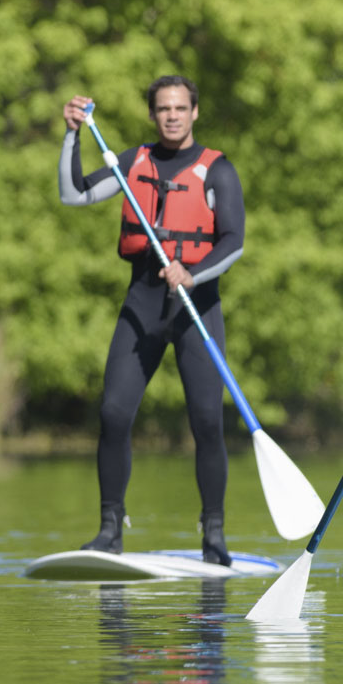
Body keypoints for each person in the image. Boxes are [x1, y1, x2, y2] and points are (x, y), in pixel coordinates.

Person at [56, 76, 246, 564]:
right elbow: (74, 195)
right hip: (142, 305)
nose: (172, 116)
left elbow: (234, 242)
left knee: (207, 421)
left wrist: (192, 273)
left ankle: (214, 534)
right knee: (113, 413)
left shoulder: (217, 170)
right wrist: (72, 134)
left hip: (196, 308)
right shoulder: (131, 162)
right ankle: (110, 529)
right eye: (163, 109)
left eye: (180, 108)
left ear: (194, 112)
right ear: (152, 114)